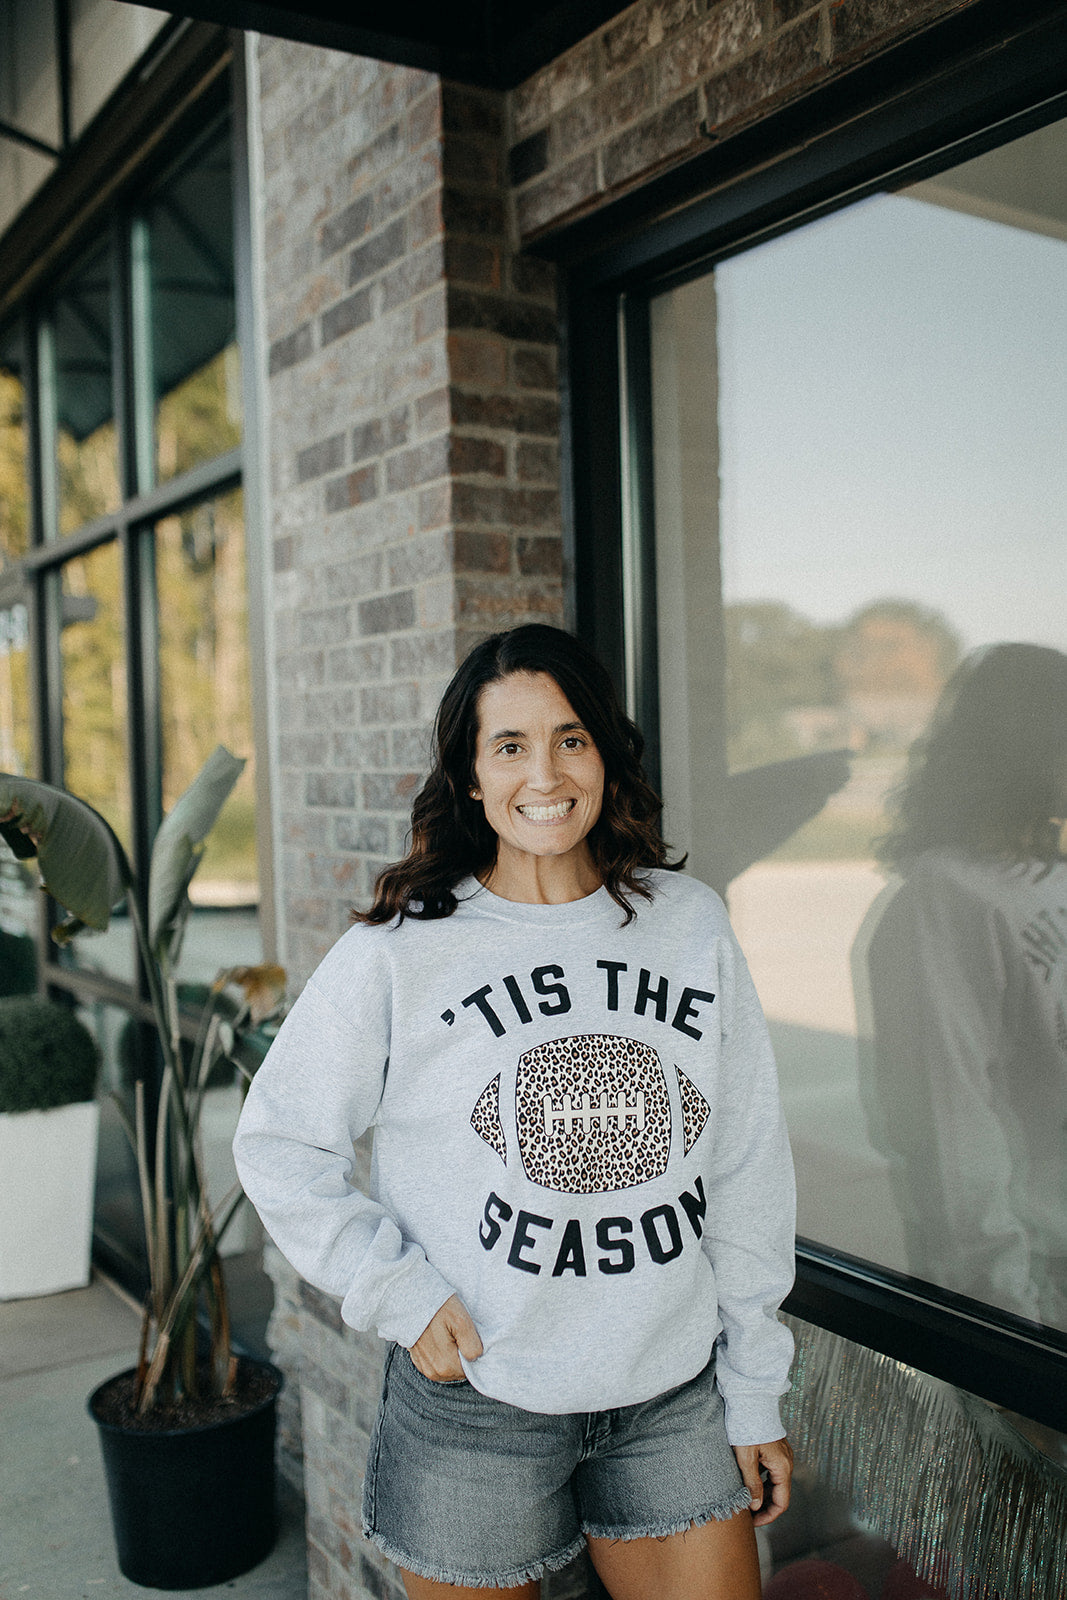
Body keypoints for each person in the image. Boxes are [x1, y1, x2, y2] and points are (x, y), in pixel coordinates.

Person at [234, 624, 796, 1600]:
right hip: (475, 1401)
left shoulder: (685, 923)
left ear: (604, 754)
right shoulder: (404, 951)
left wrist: (753, 1386)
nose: (545, 770)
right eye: (509, 744)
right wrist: (396, 1292)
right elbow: (279, 1143)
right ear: (469, 774)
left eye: (570, 737)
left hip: (667, 1391)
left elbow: (744, 1166)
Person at [854, 642, 1067, 1329]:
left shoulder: (1051, 872)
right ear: (1029, 746)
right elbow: (949, 1142)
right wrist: (1008, 1336)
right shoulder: (942, 905)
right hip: (1039, 1294)